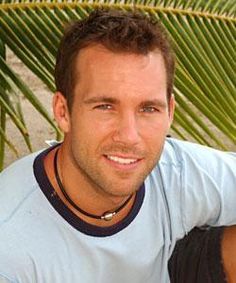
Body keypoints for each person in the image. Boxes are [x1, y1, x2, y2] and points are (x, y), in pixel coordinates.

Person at [0, 8, 235, 283]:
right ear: (63, 111)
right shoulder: (10, 245)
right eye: (105, 106)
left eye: (148, 109)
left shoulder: (175, 172)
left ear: (170, 112)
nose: (129, 136)